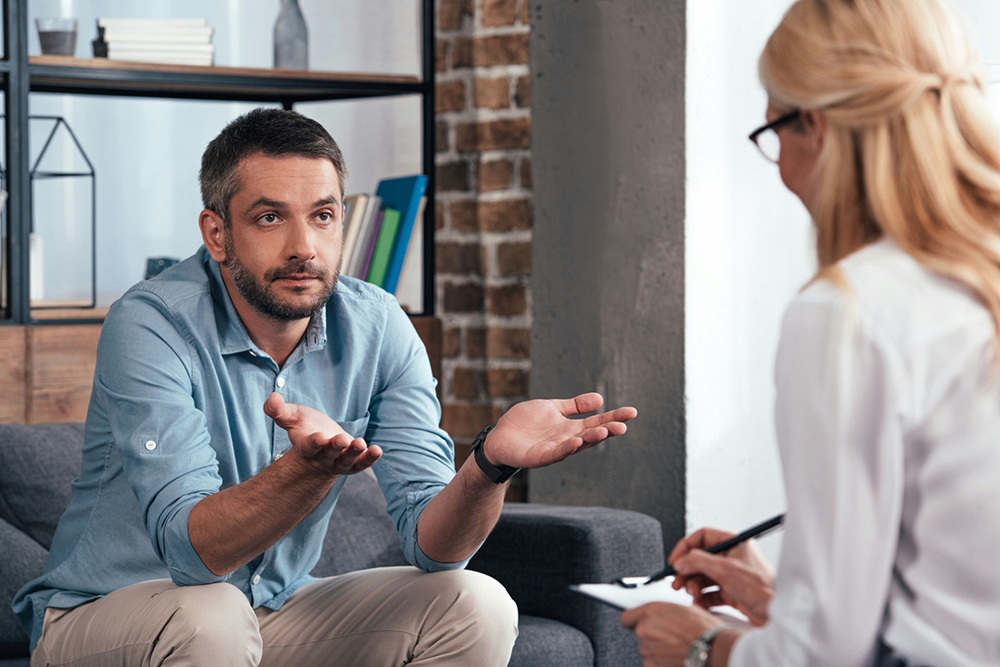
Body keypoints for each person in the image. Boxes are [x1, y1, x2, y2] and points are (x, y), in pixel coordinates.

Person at [12, 108, 638, 667]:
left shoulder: (379, 324)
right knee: (211, 613)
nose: (303, 247)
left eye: (323, 216)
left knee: (475, 601)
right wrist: (306, 472)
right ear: (216, 233)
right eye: (268, 218)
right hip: (102, 620)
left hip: (268, 612)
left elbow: (434, 549)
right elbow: (191, 554)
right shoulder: (150, 322)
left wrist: (489, 465)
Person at [621, 0, 1000, 665]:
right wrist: (785, 598)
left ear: (815, 126)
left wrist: (702, 644)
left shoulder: (849, 310)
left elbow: (826, 656)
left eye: (771, 132)